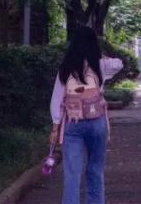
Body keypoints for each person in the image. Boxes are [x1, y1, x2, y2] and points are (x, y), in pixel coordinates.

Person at [49, 26, 123, 204]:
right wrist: (100, 56)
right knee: (95, 170)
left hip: (71, 124)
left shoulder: (65, 69)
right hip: (97, 122)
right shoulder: (100, 65)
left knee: (72, 173)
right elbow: (119, 63)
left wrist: (55, 128)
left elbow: (56, 99)